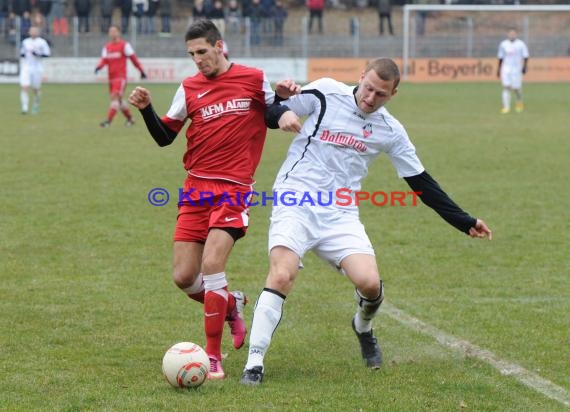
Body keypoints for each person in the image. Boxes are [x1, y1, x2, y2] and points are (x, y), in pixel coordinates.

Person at [239, 58, 493, 386]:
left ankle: (363, 326)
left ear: (393, 94)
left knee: (370, 284)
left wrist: (464, 221)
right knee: (282, 273)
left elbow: (420, 181)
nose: (370, 97)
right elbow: (270, 111)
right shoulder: (327, 92)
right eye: (369, 87)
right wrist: (282, 104)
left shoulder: (390, 130)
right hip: (296, 199)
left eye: (381, 94)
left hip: (340, 214)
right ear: (361, 77)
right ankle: (254, 362)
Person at [127, 19, 298, 380]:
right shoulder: (189, 87)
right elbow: (165, 137)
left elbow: (269, 114)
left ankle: (213, 356)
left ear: (219, 46)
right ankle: (231, 305)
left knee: (212, 264)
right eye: (191, 55)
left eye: (202, 52)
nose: (198, 60)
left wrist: (283, 105)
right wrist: (146, 110)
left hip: (234, 188)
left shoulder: (253, 78)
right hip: (195, 190)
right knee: (184, 277)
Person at [95, 24, 147, 127]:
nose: (112, 33)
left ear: (118, 32)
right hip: (111, 79)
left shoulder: (124, 45)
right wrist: (98, 67)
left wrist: (141, 70)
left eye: (114, 31)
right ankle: (130, 119)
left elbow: (133, 59)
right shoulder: (107, 47)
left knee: (115, 97)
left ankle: (108, 122)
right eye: (111, 31)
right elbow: (104, 60)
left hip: (121, 78)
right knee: (118, 100)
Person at [19, 26, 51, 114]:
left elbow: (47, 54)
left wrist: (38, 54)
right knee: (24, 87)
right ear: (29, 32)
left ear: (38, 32)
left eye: (35, 31)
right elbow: (22, 54)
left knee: (36, 89)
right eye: (32, 31)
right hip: (26, 67)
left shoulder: (42, 42)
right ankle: (24, 107)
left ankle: (36, 105)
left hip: (37, 68)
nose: (33, 32)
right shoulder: (25, 42)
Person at [497, 28, 529, 114]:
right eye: (510, 33)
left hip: (516, 68)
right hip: (506, 68)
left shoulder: (521, 44)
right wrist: (499, 69)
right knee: (506, 87)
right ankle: (506, 107)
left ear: (516, 34)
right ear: (507, 34)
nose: (512, 35)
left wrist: (524, 67)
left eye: (513, 33)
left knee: (516, 88)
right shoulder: (503, 44)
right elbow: (501, 57)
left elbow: (525, 56)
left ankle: (519, 102)